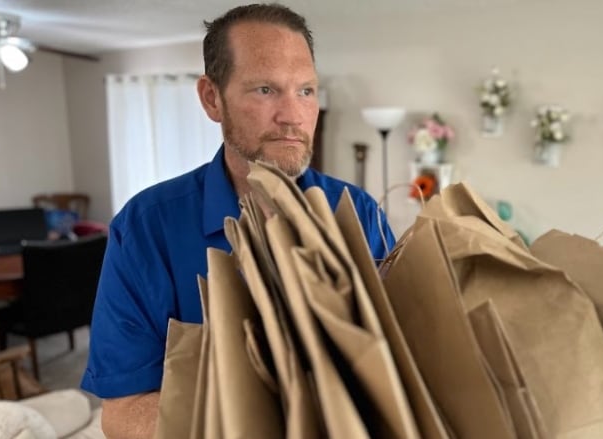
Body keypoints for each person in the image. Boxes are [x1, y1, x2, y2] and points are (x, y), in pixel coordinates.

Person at [80, 4, 396, 438]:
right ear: (212, 98)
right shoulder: (144, 228)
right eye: (266, 90)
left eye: (305, 91)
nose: (293, 115)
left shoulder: (361, 215)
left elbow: (396, 370)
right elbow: (124, 411)